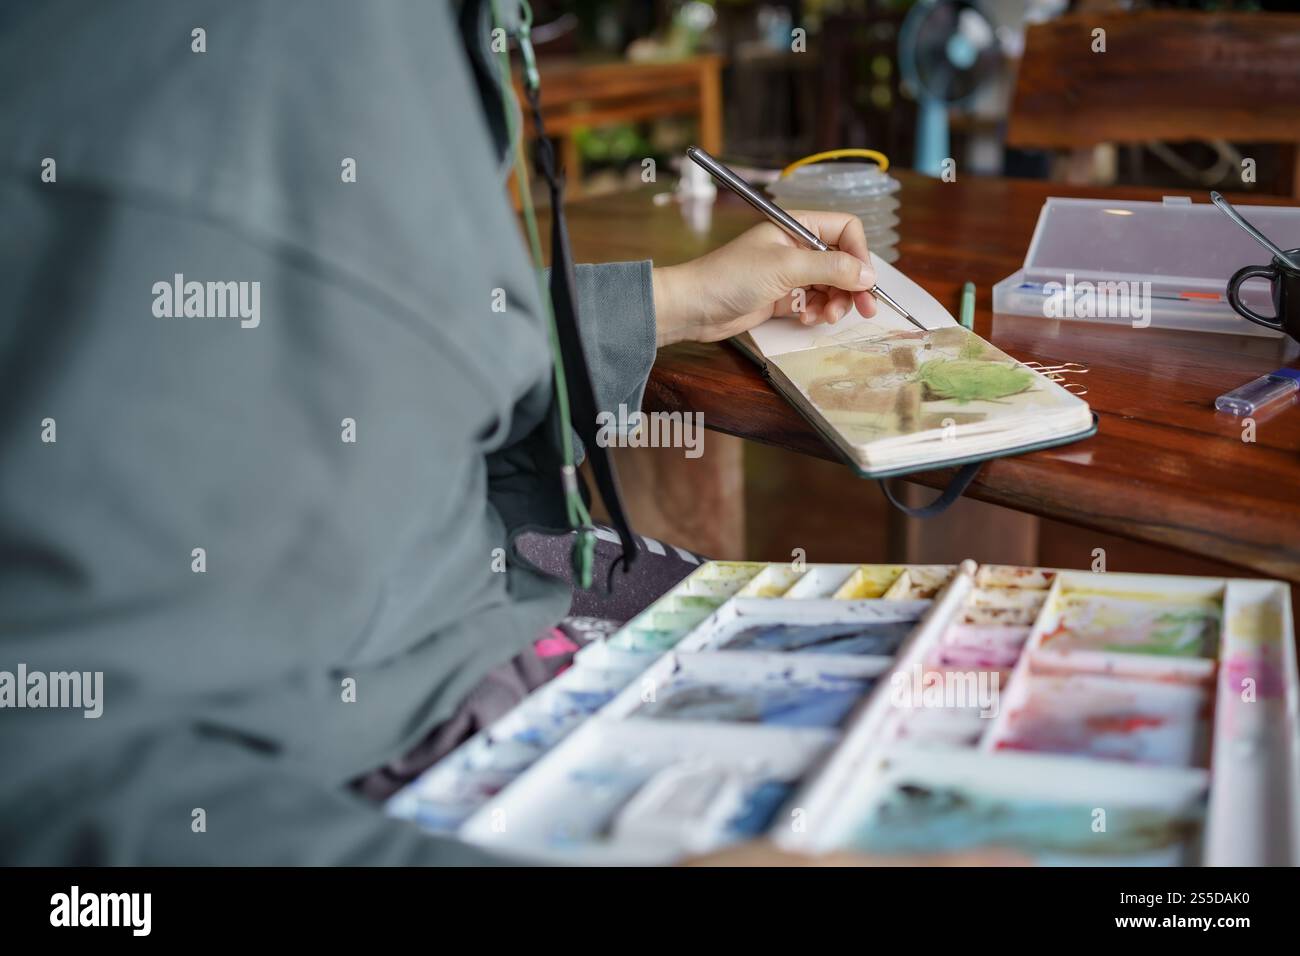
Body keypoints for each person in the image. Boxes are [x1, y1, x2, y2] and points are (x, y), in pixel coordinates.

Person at [0, 0, 1010, 867]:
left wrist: (679, 301)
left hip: (486, 607)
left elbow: (379, 327)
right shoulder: (247, 62)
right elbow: (58, 781)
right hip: (407, 737)